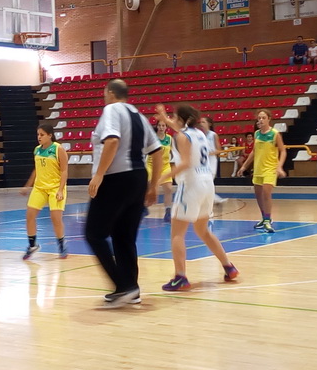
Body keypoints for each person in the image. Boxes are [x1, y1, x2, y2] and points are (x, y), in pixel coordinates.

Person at [86, 79, 162, 308]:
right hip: (138, 179)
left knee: (94, 233)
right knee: (123, 237)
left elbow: (112, 141)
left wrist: (99, 174)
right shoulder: (139, 116)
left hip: (116, 179)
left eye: (104, 92)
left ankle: (123, 286)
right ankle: (132, 289)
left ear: (110, 92)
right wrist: (153, 186)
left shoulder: (112, 110)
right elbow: (157, 151)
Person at [154, 104, 238, 292]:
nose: (172, 120)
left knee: (177, 233)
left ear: (182, 119)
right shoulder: (199, 133)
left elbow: (185, 163)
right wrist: (164, 117)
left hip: (191, 184)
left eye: (174, 117)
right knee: (203, 231)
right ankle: (229, 267)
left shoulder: (181, 137)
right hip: (207, 183)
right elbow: (180, 129)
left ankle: (180, 277)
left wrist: (162, 177)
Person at [21, 124, 69, 260]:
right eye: (38, 134)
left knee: (56, 218)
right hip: (40, 188)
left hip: (55, 187)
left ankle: (62, 244)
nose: (39, 137)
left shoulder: (58, 149)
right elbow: (36, 170)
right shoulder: (37, 150)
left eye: (42, 134)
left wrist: (60, 190)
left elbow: (64, 171)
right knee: (30, 215)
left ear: (50, 135)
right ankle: (32, 245)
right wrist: (27, 186)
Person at [238, 110, 287, 234]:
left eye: (263, 117)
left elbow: (283, 151)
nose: (261, 120)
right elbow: (254, 152)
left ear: (269, 119)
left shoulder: (275, 134)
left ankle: (267, 221)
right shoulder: (256, 134)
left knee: (266, 193)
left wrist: (279, 167)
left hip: (270, 168)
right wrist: (244, 166)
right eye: (259, 118)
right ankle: (264, 218)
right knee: (258, 195)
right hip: (258, 168)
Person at [148, 119, 175, 223]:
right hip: (152, 165)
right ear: (157, 126)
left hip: (165, 166)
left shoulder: (170, 138)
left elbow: (173, 152)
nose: (161, 127)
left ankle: (168, 212)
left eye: (163, 125)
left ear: (166, 127)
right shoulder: (152, 138)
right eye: (159, 125)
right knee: (149, 187)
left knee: (168, 188)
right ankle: (143, 208)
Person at [198, 116, 225, 204]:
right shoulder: (200, 136)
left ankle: (214, 199)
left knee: (208, 181)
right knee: (204, 182)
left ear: (209, 124)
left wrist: (210, 153)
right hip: (203, 162)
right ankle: (214, 199)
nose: (201, 124)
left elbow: (219, 150)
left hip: (212, 161)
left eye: (203, 122)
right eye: (200, 122)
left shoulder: (213, 135)